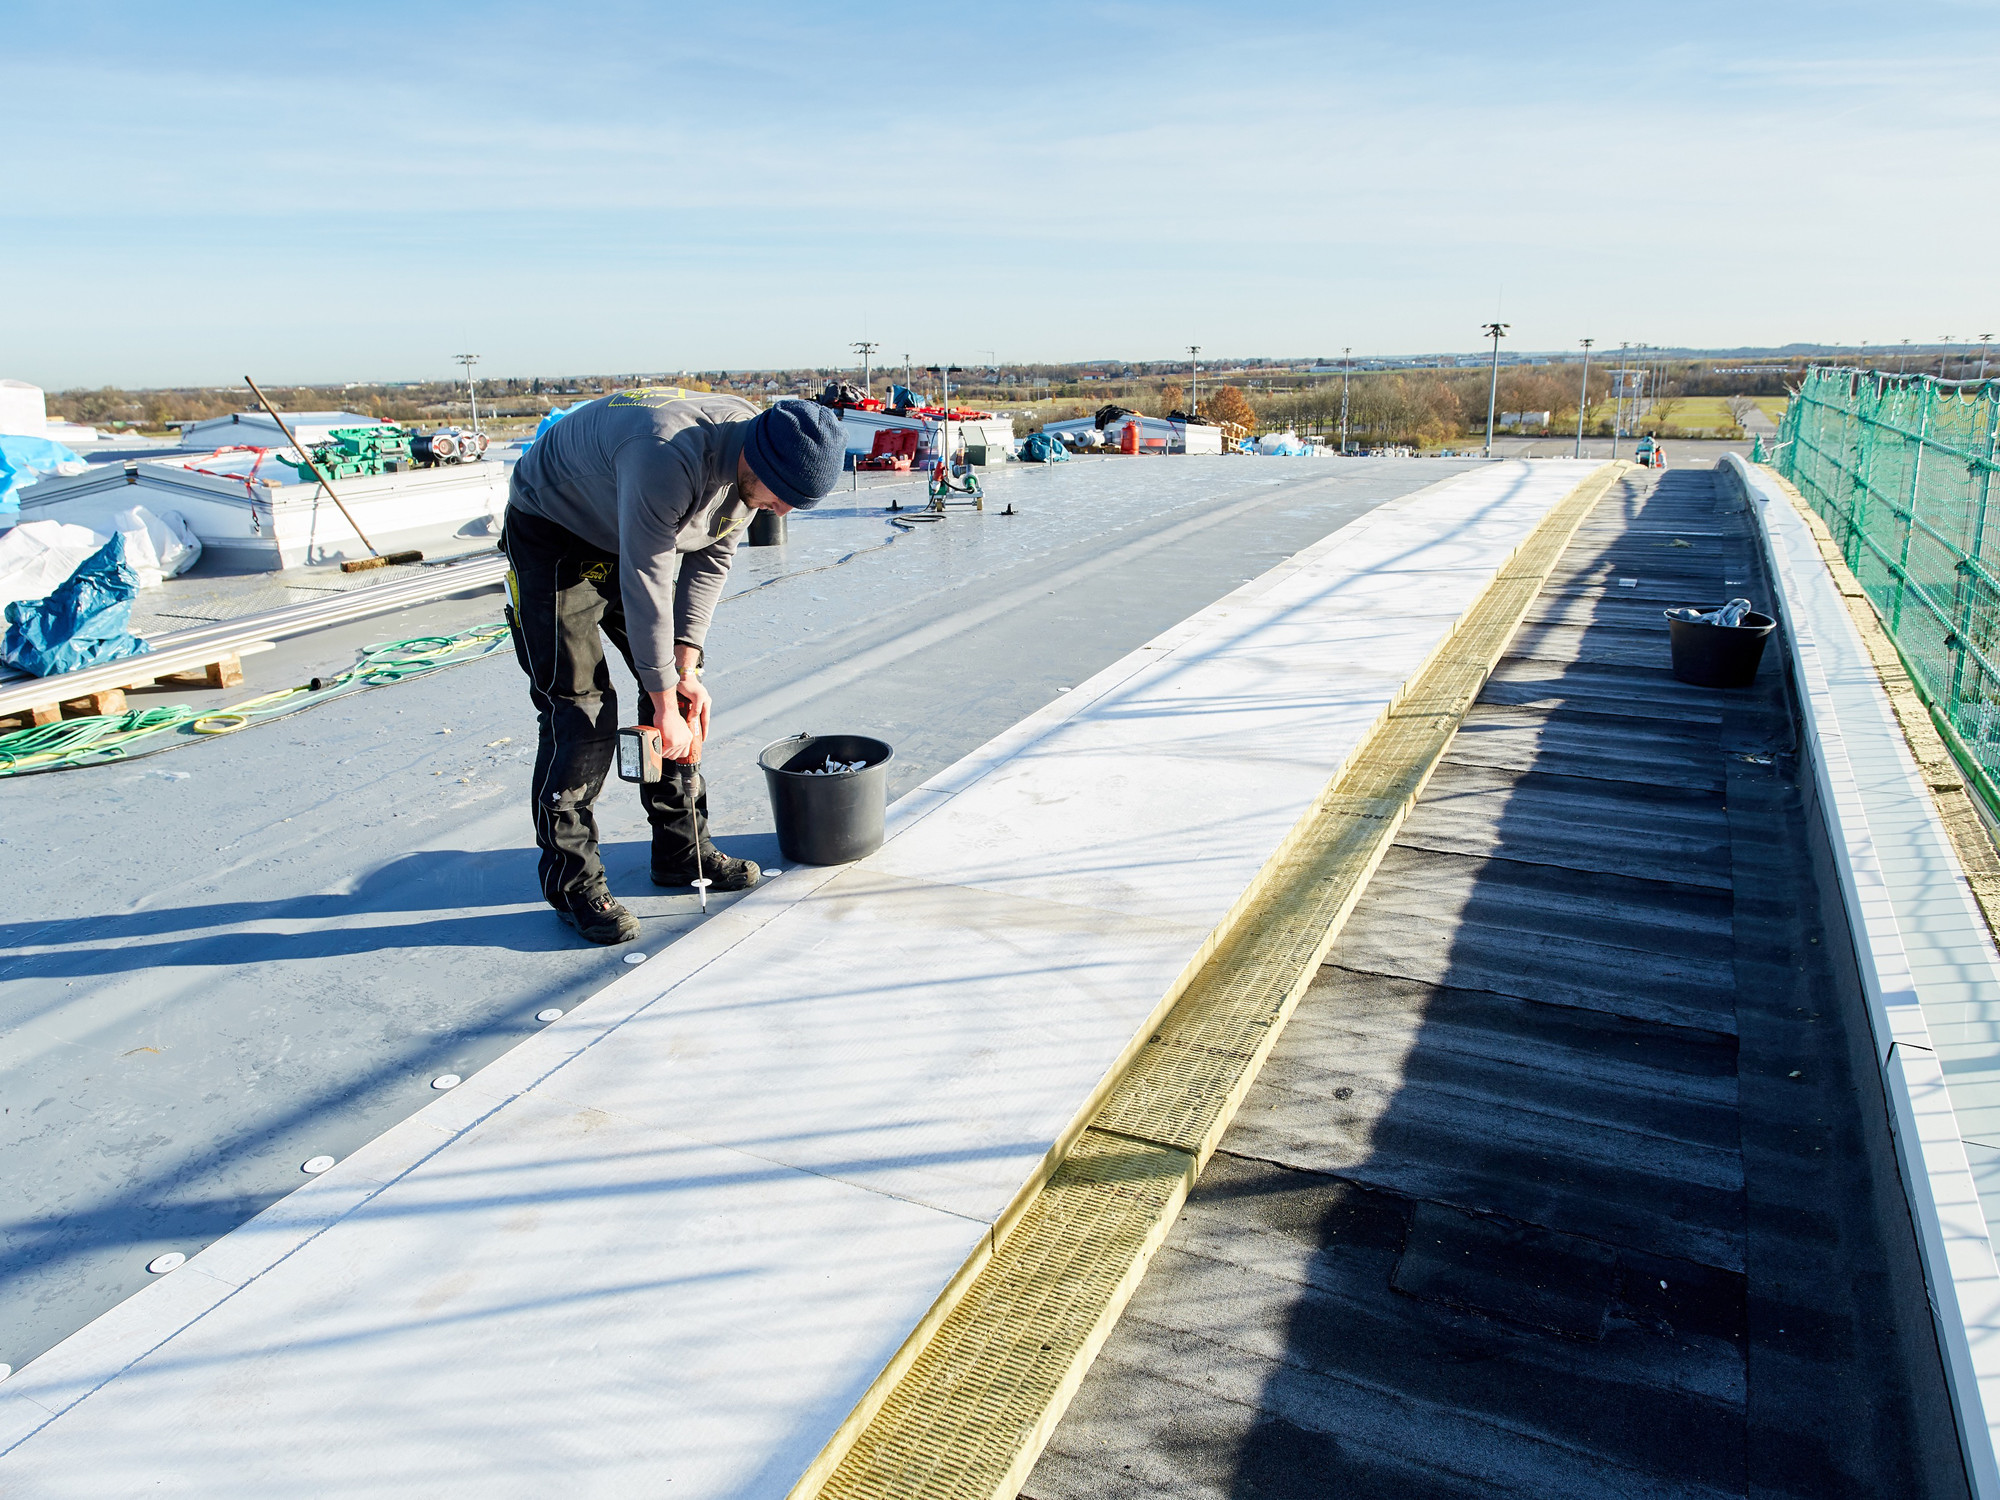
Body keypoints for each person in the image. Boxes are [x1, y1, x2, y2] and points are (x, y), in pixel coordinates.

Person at [500, 392, 847, 943]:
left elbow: (712, 558)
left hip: (627, 522)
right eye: (784, 498)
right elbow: (648, 586)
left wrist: (686, 669)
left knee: (677, 692)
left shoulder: (755, 462)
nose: (781, 512)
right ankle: (573, 883)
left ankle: (681, 850)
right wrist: (663, 701)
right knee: (582, 711)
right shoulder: (666, 455)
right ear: (755, 462)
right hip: (554, 528)